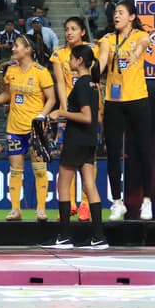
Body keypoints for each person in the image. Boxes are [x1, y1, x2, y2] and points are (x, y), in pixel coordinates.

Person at [0, 34, 56, 222]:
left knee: (40, 169)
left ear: (28, 50)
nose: (13, 48)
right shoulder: (11, 71)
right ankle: (15, 210)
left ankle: (41, 209)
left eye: (16, 46)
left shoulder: (41, 72)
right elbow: (7, 95)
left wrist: (42, 116)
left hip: (36, 128)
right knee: (15, 169)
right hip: (14, 127)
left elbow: (52, 99)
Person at [97, 0, 153, 221]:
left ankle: (147, 201)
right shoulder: (108, 39)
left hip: (138, 99)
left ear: (131, 16)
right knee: (112, 152)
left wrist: (135, 53)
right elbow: (102, 60)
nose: (116, 16)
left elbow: (144, 43)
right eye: (115, 13)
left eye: (121, 12)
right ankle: (117, 202)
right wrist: (93, 73)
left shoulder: (140, 35)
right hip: (113, 101)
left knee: (144, 151)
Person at [47, 45, 107, 251]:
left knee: (63, 185)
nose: (69, 61)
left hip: (77, 139)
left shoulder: (82, 84)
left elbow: (87, 116)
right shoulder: (93, 84)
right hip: (90, 140)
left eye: (72, 58)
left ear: (79, 60)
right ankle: (98, 236)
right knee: (90, 185)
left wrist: (61, 112)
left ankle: (64, 236)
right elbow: (95, 118)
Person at [50, 16, 96, 220]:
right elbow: (60, 83)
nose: (69, 32)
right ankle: (70, 205)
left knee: (83, 164)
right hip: (70, 108)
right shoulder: (59, 54)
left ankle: (85, 204)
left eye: (74, 29)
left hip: (86, 108)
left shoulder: (89, 52)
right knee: (70, 161)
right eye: (67, 29)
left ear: (82, 32)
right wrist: (63, 107)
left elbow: (95, 80)